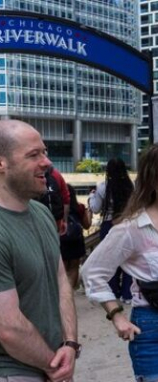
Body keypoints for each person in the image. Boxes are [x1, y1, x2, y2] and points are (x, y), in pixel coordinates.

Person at [81, 143, 158, 382]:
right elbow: (92, 272)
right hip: (152, 324)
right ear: (153, 179)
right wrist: (116, 315)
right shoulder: (133, 227)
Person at [0, 120, 79, 382]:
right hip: (14, 370)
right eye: (34, 155)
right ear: (1, 163)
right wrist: (54, 366)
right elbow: (8, 327)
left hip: (54, 362)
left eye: (44, 152)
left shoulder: (42, 213)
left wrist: (69, 344)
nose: (47, 162)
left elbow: (60, 282)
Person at [88, 157, 134, 303]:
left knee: (110, 260)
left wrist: (90, 197)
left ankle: (113, 291)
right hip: (127, 225)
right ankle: (127, 294)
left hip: (109, 224)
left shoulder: (103, 187)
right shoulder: (130, 185)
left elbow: (95, 209)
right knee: (128, 260)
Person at [60, 184, 91, 289]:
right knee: (74, 267)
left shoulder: (57, 208)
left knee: (62, 269)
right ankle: (70, 292)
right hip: (76, 240)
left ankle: (62, 293)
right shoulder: (80, 207)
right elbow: (87, 225)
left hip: (61, 238)